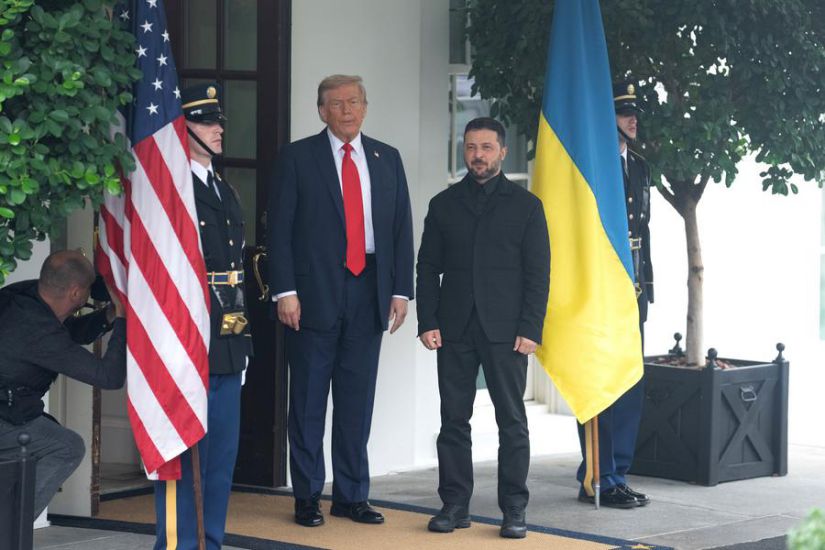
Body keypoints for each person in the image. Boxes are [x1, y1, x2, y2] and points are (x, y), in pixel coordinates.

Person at [267, 74, 414, 527]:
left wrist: (400, 290)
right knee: (309, 401)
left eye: (354, 101)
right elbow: (281, 231)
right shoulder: (297, 157)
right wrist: (285, 291)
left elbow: (401, 229)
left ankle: (351, 495)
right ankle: (308, 496)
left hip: (369, 290)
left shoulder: (386, 158)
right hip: (311, 296)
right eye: (336, 103)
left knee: (356, 402)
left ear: (366, 108)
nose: (346, 110)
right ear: (321, 111)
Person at [416, 117, 550, 539]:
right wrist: (427, 320)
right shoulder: (443, 204)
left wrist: (531, 327)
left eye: (486, 147)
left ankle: (514, 509)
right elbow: (427, 267)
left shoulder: (526, 206)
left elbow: (538, 273)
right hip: (453, 329)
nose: (477, 155)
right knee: (453, 419)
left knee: (512, 421)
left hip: (508, 331)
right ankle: (454, 505)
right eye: (471, 147)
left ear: (502, 152)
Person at [153, 82, 253, 549]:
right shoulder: (174, 190)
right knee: (184, 453)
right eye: (206, 122)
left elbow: (233, 269)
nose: (218, 129)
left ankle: (208, 542)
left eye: (218, 121)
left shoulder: (222, 187)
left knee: (221, 458)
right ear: (182, 128)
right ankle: (178, 544)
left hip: (228, 337)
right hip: (188, 339)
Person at [0, 250, 126, 519]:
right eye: (88, 290)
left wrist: (108, 316)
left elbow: (64, 335)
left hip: (11, 409)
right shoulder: (39, 331)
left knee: (45, 437)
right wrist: (125, 319)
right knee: (66, 446)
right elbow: (109, 377)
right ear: (76, 293)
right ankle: (10, 532)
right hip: (6, 418)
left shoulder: (22, 296)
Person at [576, 80, 654, 509]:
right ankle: (596, 474)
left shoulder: (639, 166)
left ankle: (617, 472)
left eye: (634, 113)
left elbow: (643, 232)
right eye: (625, 114)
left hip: (631, 292)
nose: (633, 120)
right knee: (598, 383)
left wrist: (650, 287)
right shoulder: (589, 167)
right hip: (597, 291)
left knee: (628, 383)